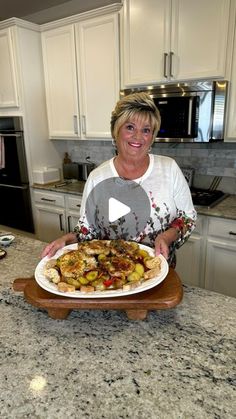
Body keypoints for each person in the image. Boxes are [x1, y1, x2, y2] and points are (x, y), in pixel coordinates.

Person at [42, 92, 197, 267]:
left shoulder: (169, 169)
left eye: (146, 130)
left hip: (160, 271)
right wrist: (67, 240)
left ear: (152, 136)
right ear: (116, 131)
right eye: (130, 127)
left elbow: (188, 218)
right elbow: (87, 230)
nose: (138, 137)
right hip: (113, 274)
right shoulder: (97, 178)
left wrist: (167, 237)